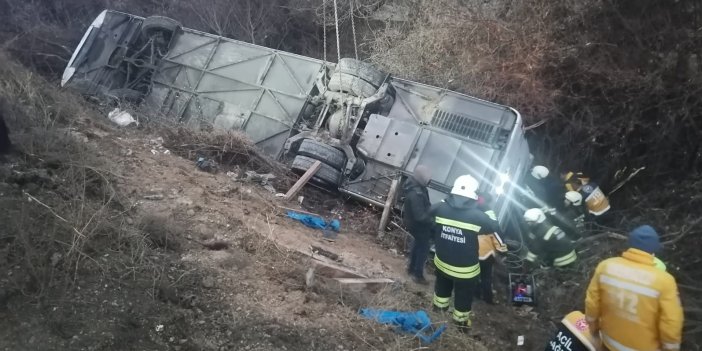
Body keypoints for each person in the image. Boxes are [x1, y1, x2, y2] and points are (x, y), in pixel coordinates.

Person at [585, 225, 683, 351]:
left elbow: (592, 304)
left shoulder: (605, 267)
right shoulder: (665, 281)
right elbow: (671, 322)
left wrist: (593, 331)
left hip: (609, 343)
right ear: (653, 251)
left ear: (630, 245)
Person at [430, 174, 497, 330]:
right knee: (463, 297)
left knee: (441, 288)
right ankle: (460, 324)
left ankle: (438, 311)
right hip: (465, 271)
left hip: (441, 262)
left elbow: (427, 222)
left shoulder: (440, 206)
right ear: (474, 195)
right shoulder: (479, 216)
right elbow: (495, 229)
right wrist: (485, 208)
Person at [402, 165, 433, 285]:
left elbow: (427, 206)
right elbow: (420, 216)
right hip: (417, 225)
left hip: (414, 224)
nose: (429, 180)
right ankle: (417, 275)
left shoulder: (418, 188)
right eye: (427, 178)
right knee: (423, 249)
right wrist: (433, 219)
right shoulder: (416, 193)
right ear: (421, 177)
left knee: (417, 245)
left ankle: (411, 269)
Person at [476, 193, 507, 304]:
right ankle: (487, 299)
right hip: (485, 251)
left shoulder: (470, 209)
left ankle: (475, 295)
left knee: (473, 273)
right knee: (486, 276)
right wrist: (503, 249)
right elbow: (496, 231)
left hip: (470, 248)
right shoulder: (489, 213)